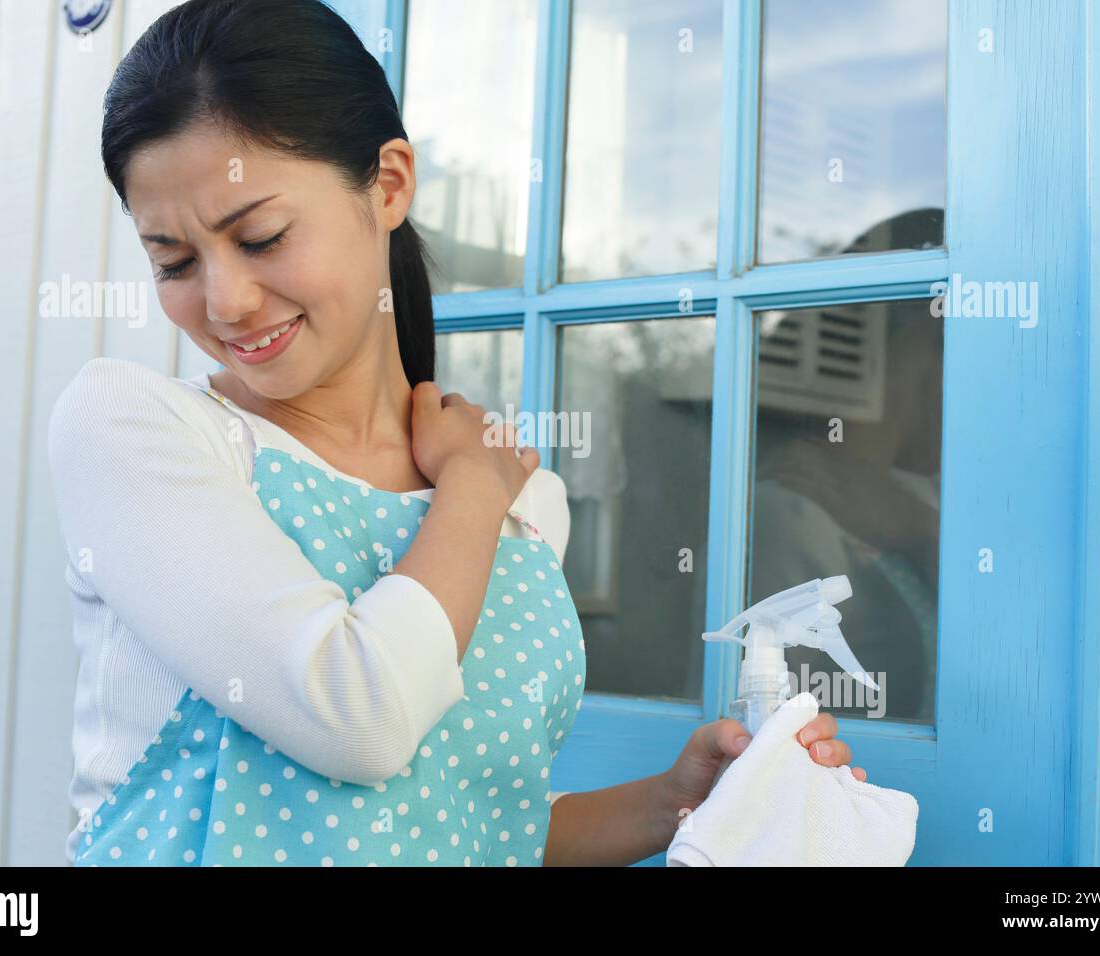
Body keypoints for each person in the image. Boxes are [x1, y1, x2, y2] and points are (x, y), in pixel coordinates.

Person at [48, 0, 863, 867]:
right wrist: (471, 485)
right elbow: (359, 716)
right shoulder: (139, 431)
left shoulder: (529, 506)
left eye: (261, 236)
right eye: (174, 261)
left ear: (389, 184)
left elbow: (478, 831)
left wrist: (674, 803)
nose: (225, 302)